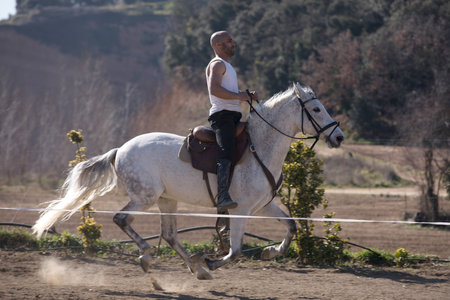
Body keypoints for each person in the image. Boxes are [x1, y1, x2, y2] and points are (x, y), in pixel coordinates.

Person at [205, 31, 258, 213]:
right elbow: (215, 90)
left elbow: (226, 91)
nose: (233, 43)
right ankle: (222, 197)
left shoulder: (226, 65)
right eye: (229, 41)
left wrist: (245, 96)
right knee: (226, 152)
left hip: (232, 115)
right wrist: (239, 96)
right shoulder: (218, 64)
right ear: (219, 46)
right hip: (222, 116)